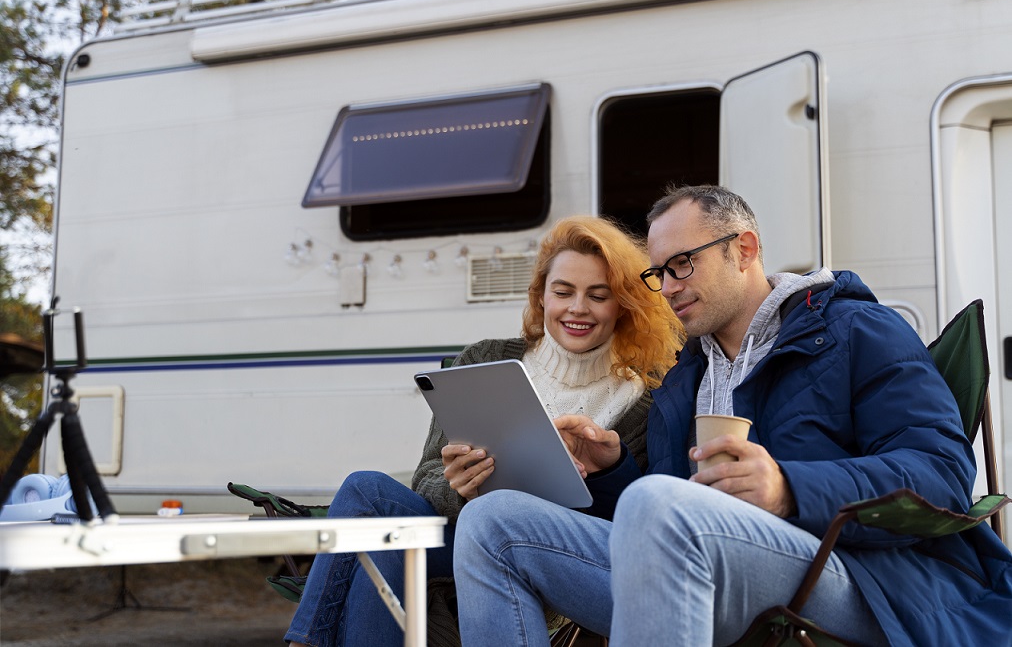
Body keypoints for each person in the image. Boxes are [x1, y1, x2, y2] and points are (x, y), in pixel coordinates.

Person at [453, 184, 1012, 646]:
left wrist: (789, 487)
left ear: (743, 249)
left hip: (857, 571)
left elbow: (942, 474)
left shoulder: (855, 331)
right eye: (659, 274)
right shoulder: (685, 375)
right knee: (492, 521)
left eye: (682, 265)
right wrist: (612, 470)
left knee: (658, 503)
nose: (668, 288)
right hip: (700, 567)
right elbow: (659, 516)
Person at [285, 215, 683, 647]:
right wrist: (461, 488)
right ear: (542, 296)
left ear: (622, 304)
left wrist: (603, 470)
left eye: (598, 295)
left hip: (543, 551)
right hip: (457, 530)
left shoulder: (643, 397)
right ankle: (305, 641)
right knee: (367, 492)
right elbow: (426, 479)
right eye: (563, 291)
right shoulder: (485, 359)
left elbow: (619, 526)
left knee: (385, 544)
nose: (577, 308)